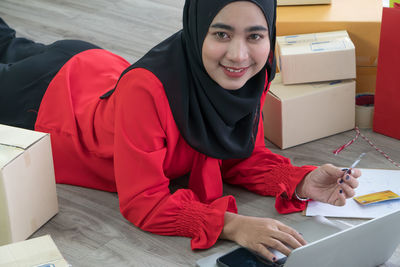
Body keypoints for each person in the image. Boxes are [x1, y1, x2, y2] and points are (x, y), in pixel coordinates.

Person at [0, 0, 361, 262]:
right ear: (196, 29)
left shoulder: (253, 75)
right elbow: (143, 201)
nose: (239, 55)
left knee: (6, 40)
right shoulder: (149, 92)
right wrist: (232, 225)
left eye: (255, 36)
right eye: (221, 33)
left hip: (92, 64)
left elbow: (238, 154)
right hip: (44, 99)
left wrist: (300, 180)